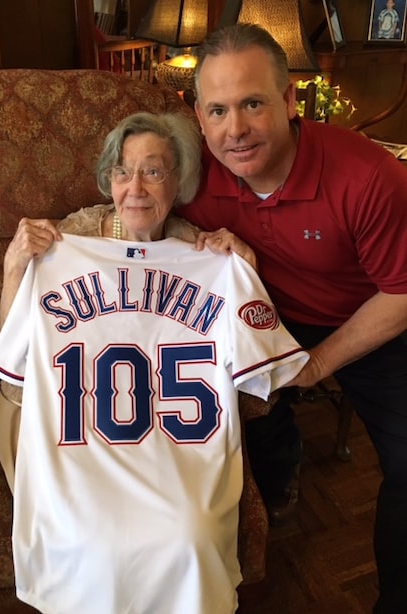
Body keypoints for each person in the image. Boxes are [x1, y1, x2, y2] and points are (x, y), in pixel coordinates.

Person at [0, 111, 309, 614]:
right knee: (83, 534)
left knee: (188, 535)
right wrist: (14, 267)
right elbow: (12, 353)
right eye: (122, 171)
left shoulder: (201, 251)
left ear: (178, 181)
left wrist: (244, 270)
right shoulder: (67, 241)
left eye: (153, 171)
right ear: (108, 179)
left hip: (168, 440)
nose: (134, 187)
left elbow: (260, 371)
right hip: (51, 421)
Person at [177, 23, 407, 614]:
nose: (236, 130)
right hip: (267, 314)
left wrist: (318, 364)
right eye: (219, 110)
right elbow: (141, 213)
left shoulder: (369, 177)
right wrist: (195, 234)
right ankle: (280, 471)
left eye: (253, 103)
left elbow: (403, 293)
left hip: (370, 318)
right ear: (199, 119)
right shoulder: (195, 173)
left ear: (288, 101)